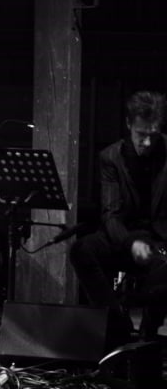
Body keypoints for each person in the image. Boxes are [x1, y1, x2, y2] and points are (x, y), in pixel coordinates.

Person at [70, 90, 167, 344]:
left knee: (163, 269)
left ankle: (148, 335)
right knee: (82, 250)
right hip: (124, 236)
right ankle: (116, 324)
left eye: (153, 135)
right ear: (128, 124)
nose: (147, 143)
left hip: (160, 239)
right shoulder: (110, 157)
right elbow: (110, 214)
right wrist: (131, 243)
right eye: (141, 135)